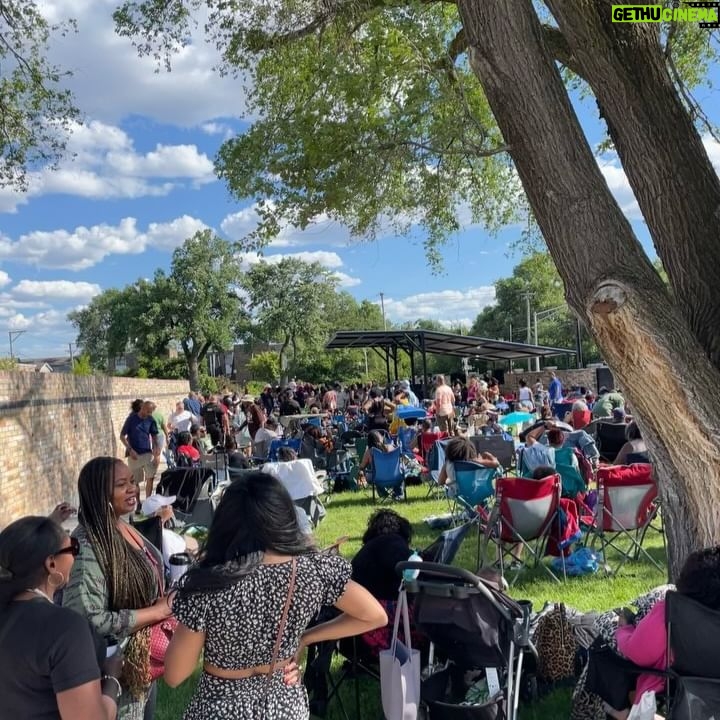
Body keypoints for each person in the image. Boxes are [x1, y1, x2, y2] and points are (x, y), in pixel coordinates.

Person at [164, 472, 387, 719]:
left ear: (225, 523)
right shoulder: (311, 571)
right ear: (284, 517)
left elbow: (175, 675)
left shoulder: (208, 584)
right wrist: (306, 638)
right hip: (283, 705)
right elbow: (374, 615)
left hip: (218, 708)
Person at [63, 457, 175, 720]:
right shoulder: (86, 546)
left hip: (141, 663)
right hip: (115, 675)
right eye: (121, 484)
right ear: (99, 493)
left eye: (132, 481)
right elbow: (88, 620)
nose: (133, 489)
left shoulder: (120, 524)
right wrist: (156, 612)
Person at [0, 516, 122, 720]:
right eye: (73, 548)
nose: (75, 556)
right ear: (51, 564)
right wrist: (112, 679)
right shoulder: (65, 628)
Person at [609, 547, 720, 720]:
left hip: (675, 685)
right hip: (711, 691)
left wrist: (623, 629)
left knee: (603, 648)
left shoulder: (671, 610)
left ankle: (619, 710)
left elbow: (638, 652)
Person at [120, 399, 161, 499]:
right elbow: (122, 436)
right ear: (142, 408)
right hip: (134, 454)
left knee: (150, 477)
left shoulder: (150, 420)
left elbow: (154, 435)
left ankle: (148, 500)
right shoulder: (131, 419)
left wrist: (156, 446)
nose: (149, 414)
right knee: (135, 481)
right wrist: (130, 450)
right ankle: (138, 503)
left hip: (147, 452)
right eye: (148, 411)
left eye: (151, 412)